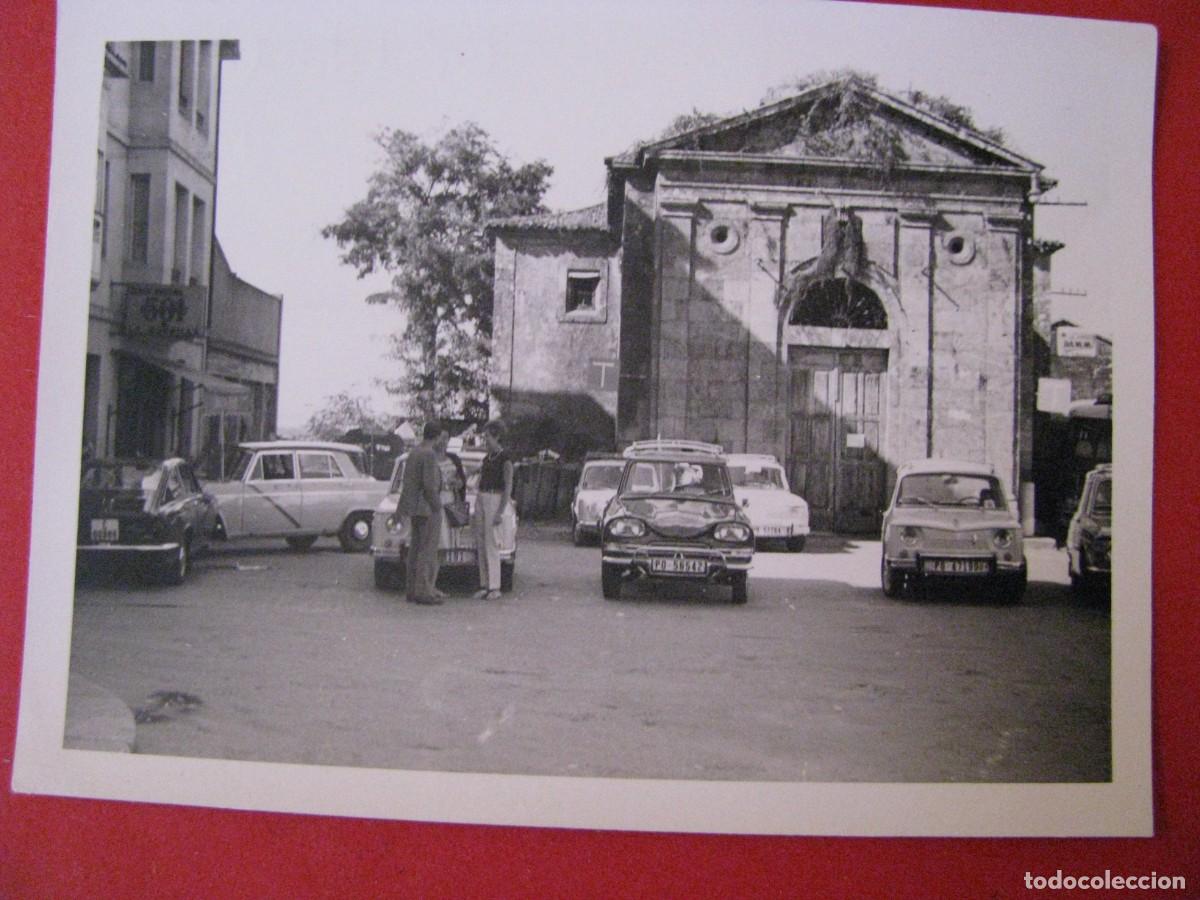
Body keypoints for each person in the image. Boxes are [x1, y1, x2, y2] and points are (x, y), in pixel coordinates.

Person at [396, 421, 446, 605]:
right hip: (428, 508)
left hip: (414, 507)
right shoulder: (429, 455)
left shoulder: (414, 452)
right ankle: (424, 591)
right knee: (427, 550)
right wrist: (437, 506)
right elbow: (429, 485)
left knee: (415, 549)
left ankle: (411, 589)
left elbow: (408, 483)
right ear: (438, 436)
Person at [473, 420, 513, 601]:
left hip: (494, 499)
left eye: (488, 437)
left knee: (491, 542)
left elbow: (508, 486)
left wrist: (500, 512)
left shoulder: (505, 459)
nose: (485, 440)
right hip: (481, 497)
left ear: (497, 436)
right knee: (480, 541)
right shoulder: (486, 459)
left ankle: (495, 586)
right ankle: (484, 583)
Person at [429, 440, 468, 598]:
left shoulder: (453, 459)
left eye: (446, 439)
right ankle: (428, 584)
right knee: (435, 545)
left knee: (443, 548)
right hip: (437, 502)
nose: (444, 443)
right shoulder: (430, 459)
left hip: (450, 502)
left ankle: (432, 583)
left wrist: (457, 483)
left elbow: (461, 481)